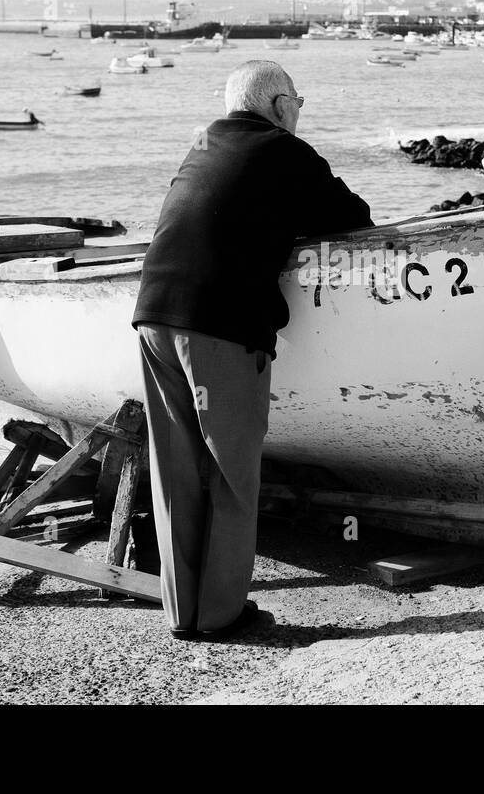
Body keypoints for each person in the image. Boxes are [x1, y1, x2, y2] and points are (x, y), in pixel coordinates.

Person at [133, 60, 372, 641]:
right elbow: (354, 218)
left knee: (175, 473)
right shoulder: (285, 150)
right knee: (232, 475)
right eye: (297, 101)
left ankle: (183, 612)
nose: (299, 112)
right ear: (276, 104)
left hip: (153, 314)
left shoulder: (203, 143)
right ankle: (219, 616)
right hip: (218, 325)